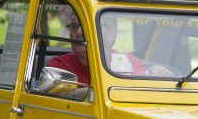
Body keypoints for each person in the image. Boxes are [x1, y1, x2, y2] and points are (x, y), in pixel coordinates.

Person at [44, 13, 172, 98]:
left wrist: (160, 78)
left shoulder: (130, 64)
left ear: (111, 33)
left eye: (87, 25)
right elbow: (59, 101)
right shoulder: (60, 66)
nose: (78, 32)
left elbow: (142, 94)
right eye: (74, 26)